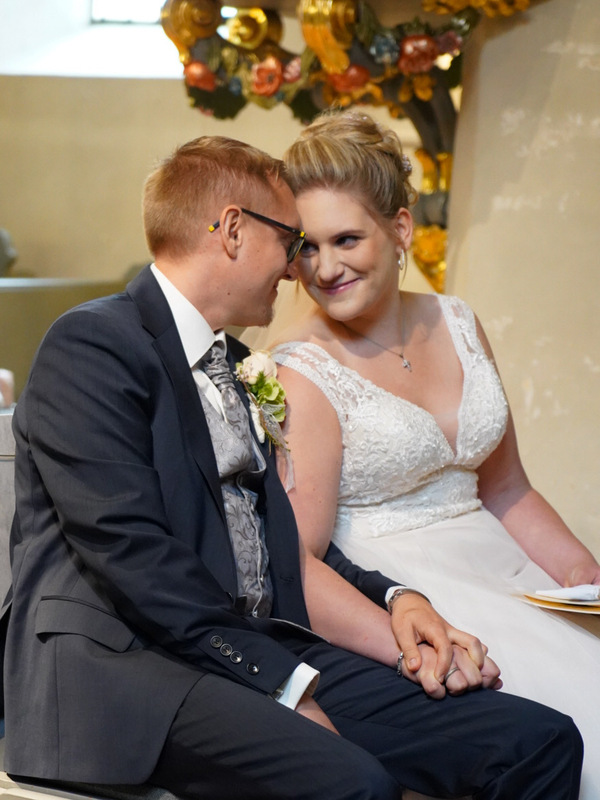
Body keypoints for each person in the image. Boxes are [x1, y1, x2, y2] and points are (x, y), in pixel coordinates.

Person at [3, 135, 583, 800]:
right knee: (356, 783)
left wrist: (398, 601)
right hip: (129, 668)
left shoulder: (235, 365)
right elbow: (130, 553)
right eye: (290, 240)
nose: (294, 269)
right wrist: (279, 683)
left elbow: (278, 539)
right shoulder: (93, 344)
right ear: (232, 231)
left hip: (251, 644)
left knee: (538, 740)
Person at [267, 109, 600, 799]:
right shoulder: (302, 369)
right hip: (410, 591)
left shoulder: (458, 319)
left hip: (504, 566)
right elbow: (297, 562)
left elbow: (506, 489)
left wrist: (582, 578)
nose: (324, 268)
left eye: (346, 239)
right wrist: (410, 640)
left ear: (400, 228)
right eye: (306, 247)